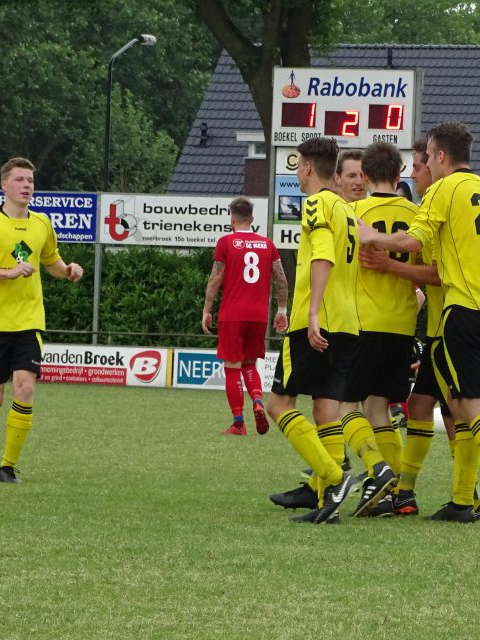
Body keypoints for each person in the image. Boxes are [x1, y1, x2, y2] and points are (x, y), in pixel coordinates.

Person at [359, 121, 480, 526]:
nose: (420, 165)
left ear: (439, 156)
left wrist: (369, 236)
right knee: (451, 405)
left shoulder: (444, 190)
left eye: (425, 156)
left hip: (464, 312)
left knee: (470, 407)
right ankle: (461, 501)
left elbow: (413, 241)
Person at [0, 157, 84, 483]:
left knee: (25, 389)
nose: (27, 185)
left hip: (29, 321)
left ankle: (7, 467)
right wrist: (8, 272)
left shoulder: (42, 223)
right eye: (20, 180)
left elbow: (52, 262)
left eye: (31, 180)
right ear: (4, 185)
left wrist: (68, 270)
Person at [264, 137, 365, 524]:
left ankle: (334, 477)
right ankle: (328, 503)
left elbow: (322, 256)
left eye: (298, 165)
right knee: (325, 409)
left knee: (278, 405)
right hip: (348, 322)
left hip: (319, 319)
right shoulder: (345, 208)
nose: (296, 172)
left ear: (307, 167)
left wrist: (311, 314)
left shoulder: (319, 203)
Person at [339, 140, 420, 517]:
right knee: (379, 409)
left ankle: (377, 469)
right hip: (402, 325)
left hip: (364, 322)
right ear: (400, 174)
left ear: (366, 176)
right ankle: (399, 495)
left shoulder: (354, 213)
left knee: (343, 405)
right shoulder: (418, 216)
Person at [201, 196, 288, 436]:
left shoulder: (226, 242)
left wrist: (207, 309)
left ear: (232, 220)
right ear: (252, 219)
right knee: (250, 363)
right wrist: (281, 310)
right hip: (258, 315)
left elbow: (216, 278)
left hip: (232, 314)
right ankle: (258, 401)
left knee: (232, 366)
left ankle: (238, 422)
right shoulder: (267, 244)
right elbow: (281, 278)